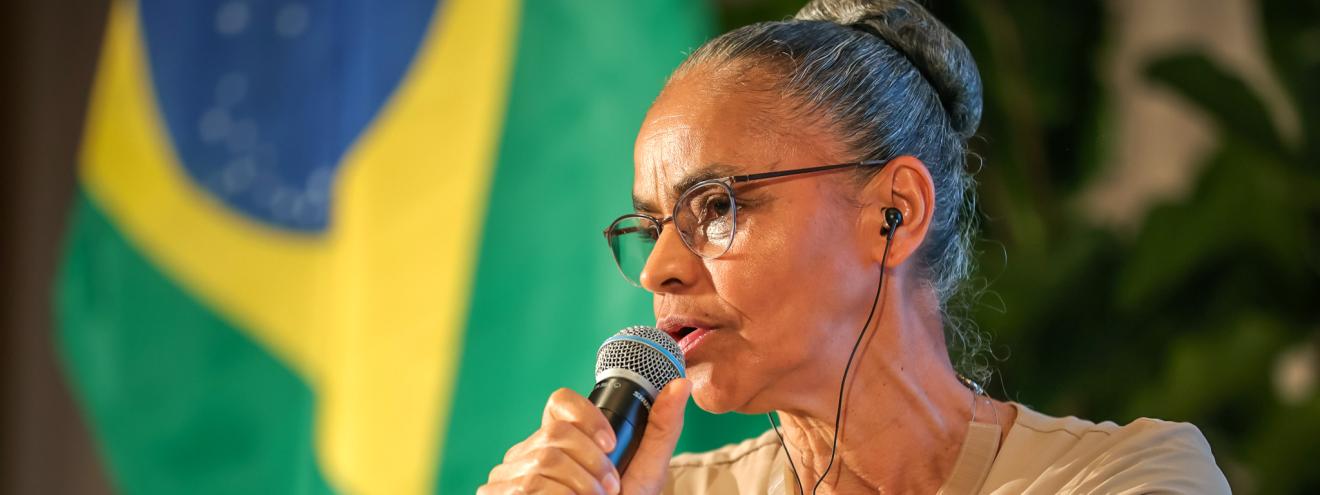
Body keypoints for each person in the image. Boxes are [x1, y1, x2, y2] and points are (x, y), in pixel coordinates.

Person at [479, 0, 1231, 493]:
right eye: (650, 225)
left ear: (894, 214)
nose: (658, 267)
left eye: (715, 207)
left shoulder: (1130, 475)